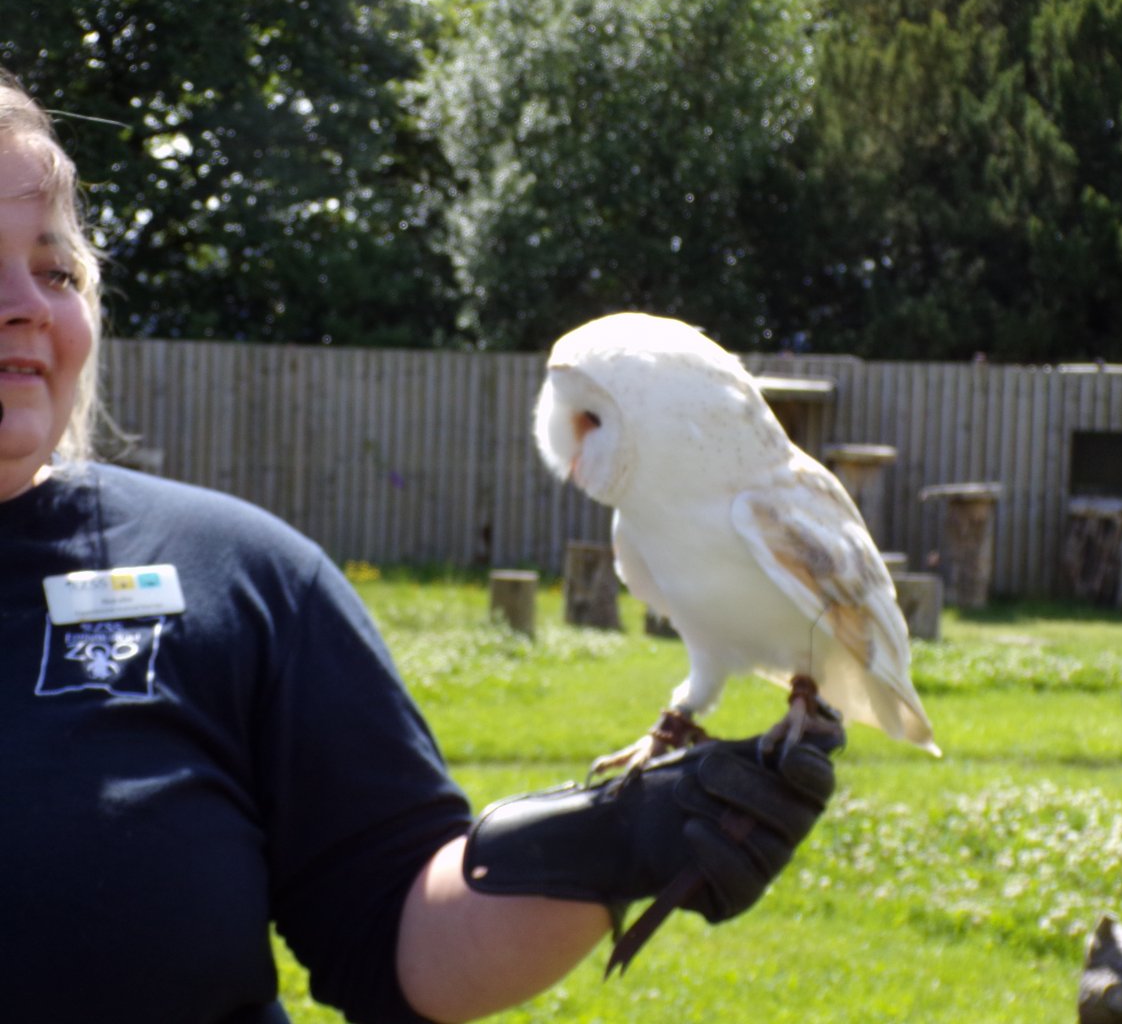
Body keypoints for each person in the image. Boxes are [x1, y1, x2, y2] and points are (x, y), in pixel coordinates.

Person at [0, 70, 837, 1023]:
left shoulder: (240, 583)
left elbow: (401, 938)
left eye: (55, 269)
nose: (27, 302)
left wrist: (617, 840)